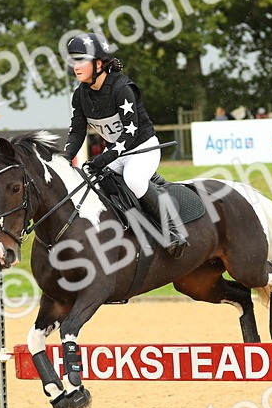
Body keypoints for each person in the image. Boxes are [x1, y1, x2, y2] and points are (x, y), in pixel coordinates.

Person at [63, 33, 186, 258]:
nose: (75, 66)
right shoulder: (80, 95)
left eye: (80, 60)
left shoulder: (122, 88)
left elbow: (130, 134)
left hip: (142, 148)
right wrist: (64, 158)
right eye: (73, 61)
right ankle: (128, 233)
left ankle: (174, 231)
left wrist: (104, 158)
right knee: (95, 185)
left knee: (134, 179)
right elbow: (77, 132)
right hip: (117, 152)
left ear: (98, 63)